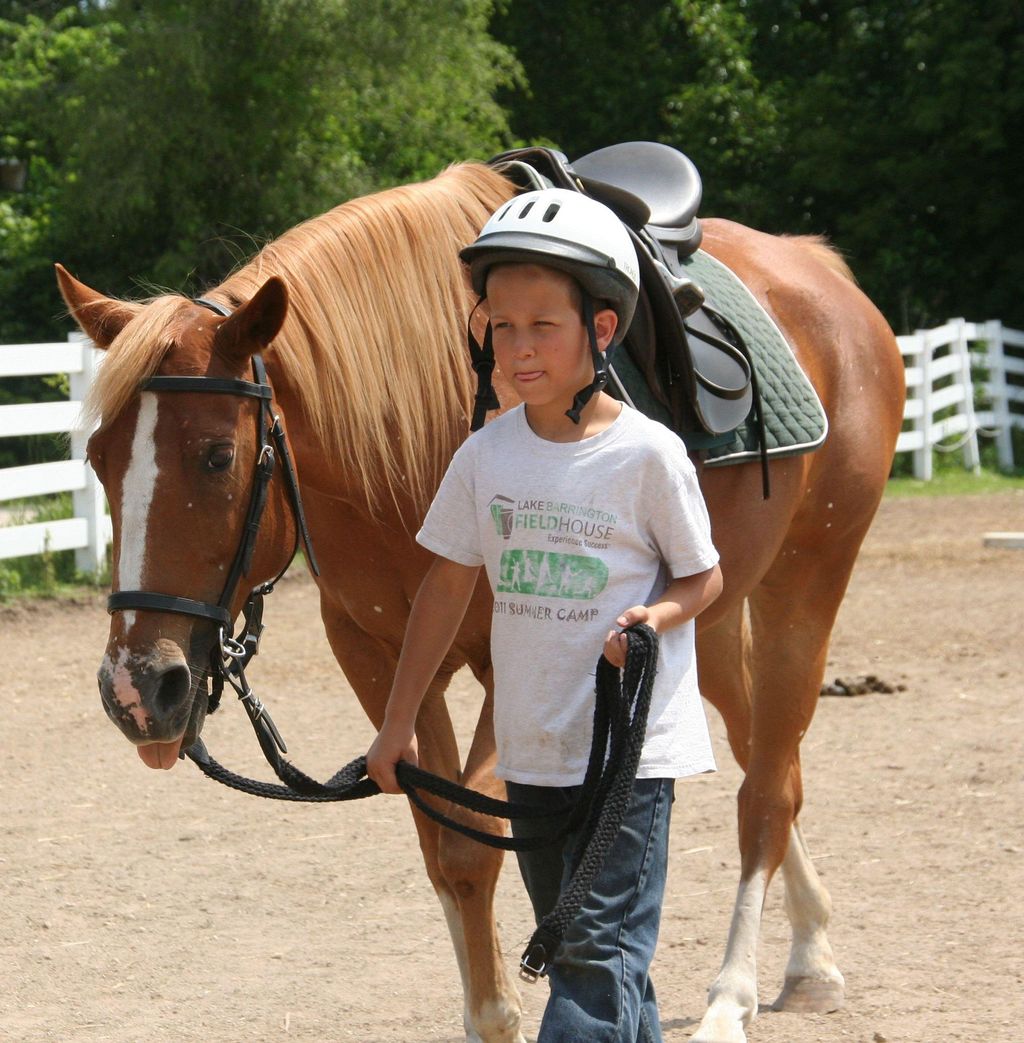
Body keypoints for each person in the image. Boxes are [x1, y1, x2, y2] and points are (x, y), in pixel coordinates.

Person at [366, 187, 723, 1043]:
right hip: (533, 757)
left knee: (592, 966)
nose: (520, 348)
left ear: (600, 332)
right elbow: (442, 591)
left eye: (543, 327)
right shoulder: (486, 456)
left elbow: (704, 579)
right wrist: (397, 723)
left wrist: (655, 617)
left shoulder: (647, 455)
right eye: (504, 326)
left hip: (627, 760)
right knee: (598, 968)